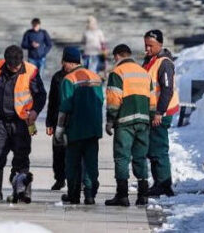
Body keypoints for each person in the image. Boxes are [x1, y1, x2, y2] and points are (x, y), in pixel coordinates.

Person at [0, 45, 46, 202]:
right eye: (11, 66)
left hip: (22, 121)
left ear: (21, 61)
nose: (14, 69)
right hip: (1, 120)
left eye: (16, 66)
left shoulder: (31, 71)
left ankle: (23, 192)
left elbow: (41, 95)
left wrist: (35, 111)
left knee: (21, 157)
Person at [104, 44, 156, 206]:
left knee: (121, 157)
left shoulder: (117, 72)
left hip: (125, 122)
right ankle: (143, 195)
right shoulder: (144, 73)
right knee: (140, 157)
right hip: (143, 121)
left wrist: (110, 120)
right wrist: (151, 117)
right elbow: (153, 99)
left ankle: (122, 195)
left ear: (118, 56)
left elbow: (114, 99)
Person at [54, 47, 103, 205]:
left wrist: (59, 130)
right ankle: (89, 194)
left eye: (64, 62)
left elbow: (65, 107)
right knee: (91, 162)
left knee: (72, 162)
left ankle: (74, 194)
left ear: (68, 62)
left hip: (75, 128)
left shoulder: (69, 80)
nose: (63, 66)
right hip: (93, 128)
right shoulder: (96, 77)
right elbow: (100, 101)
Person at [142, 29, 179, 197]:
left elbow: (167, 89)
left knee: (158, 149)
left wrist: (159, 112)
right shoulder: (150, 61)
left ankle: (164, 185)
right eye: (145, 45)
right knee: (152, 149)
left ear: (160, 44)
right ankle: (159, 183)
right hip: (152, 112)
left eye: (150, 46)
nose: (147, 49)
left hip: (161, 113)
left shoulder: (164, 63)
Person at [45, 53, 71, 191]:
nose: (67, 65)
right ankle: (60, 179)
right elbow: (52, 101)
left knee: (75, 153)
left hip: (74, 122)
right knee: (58, 153)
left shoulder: (80, 76)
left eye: (69, 62)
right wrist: (49, 122)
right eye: (65, 62)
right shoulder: (57, 77)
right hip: (58, 121)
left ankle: (79, 180)